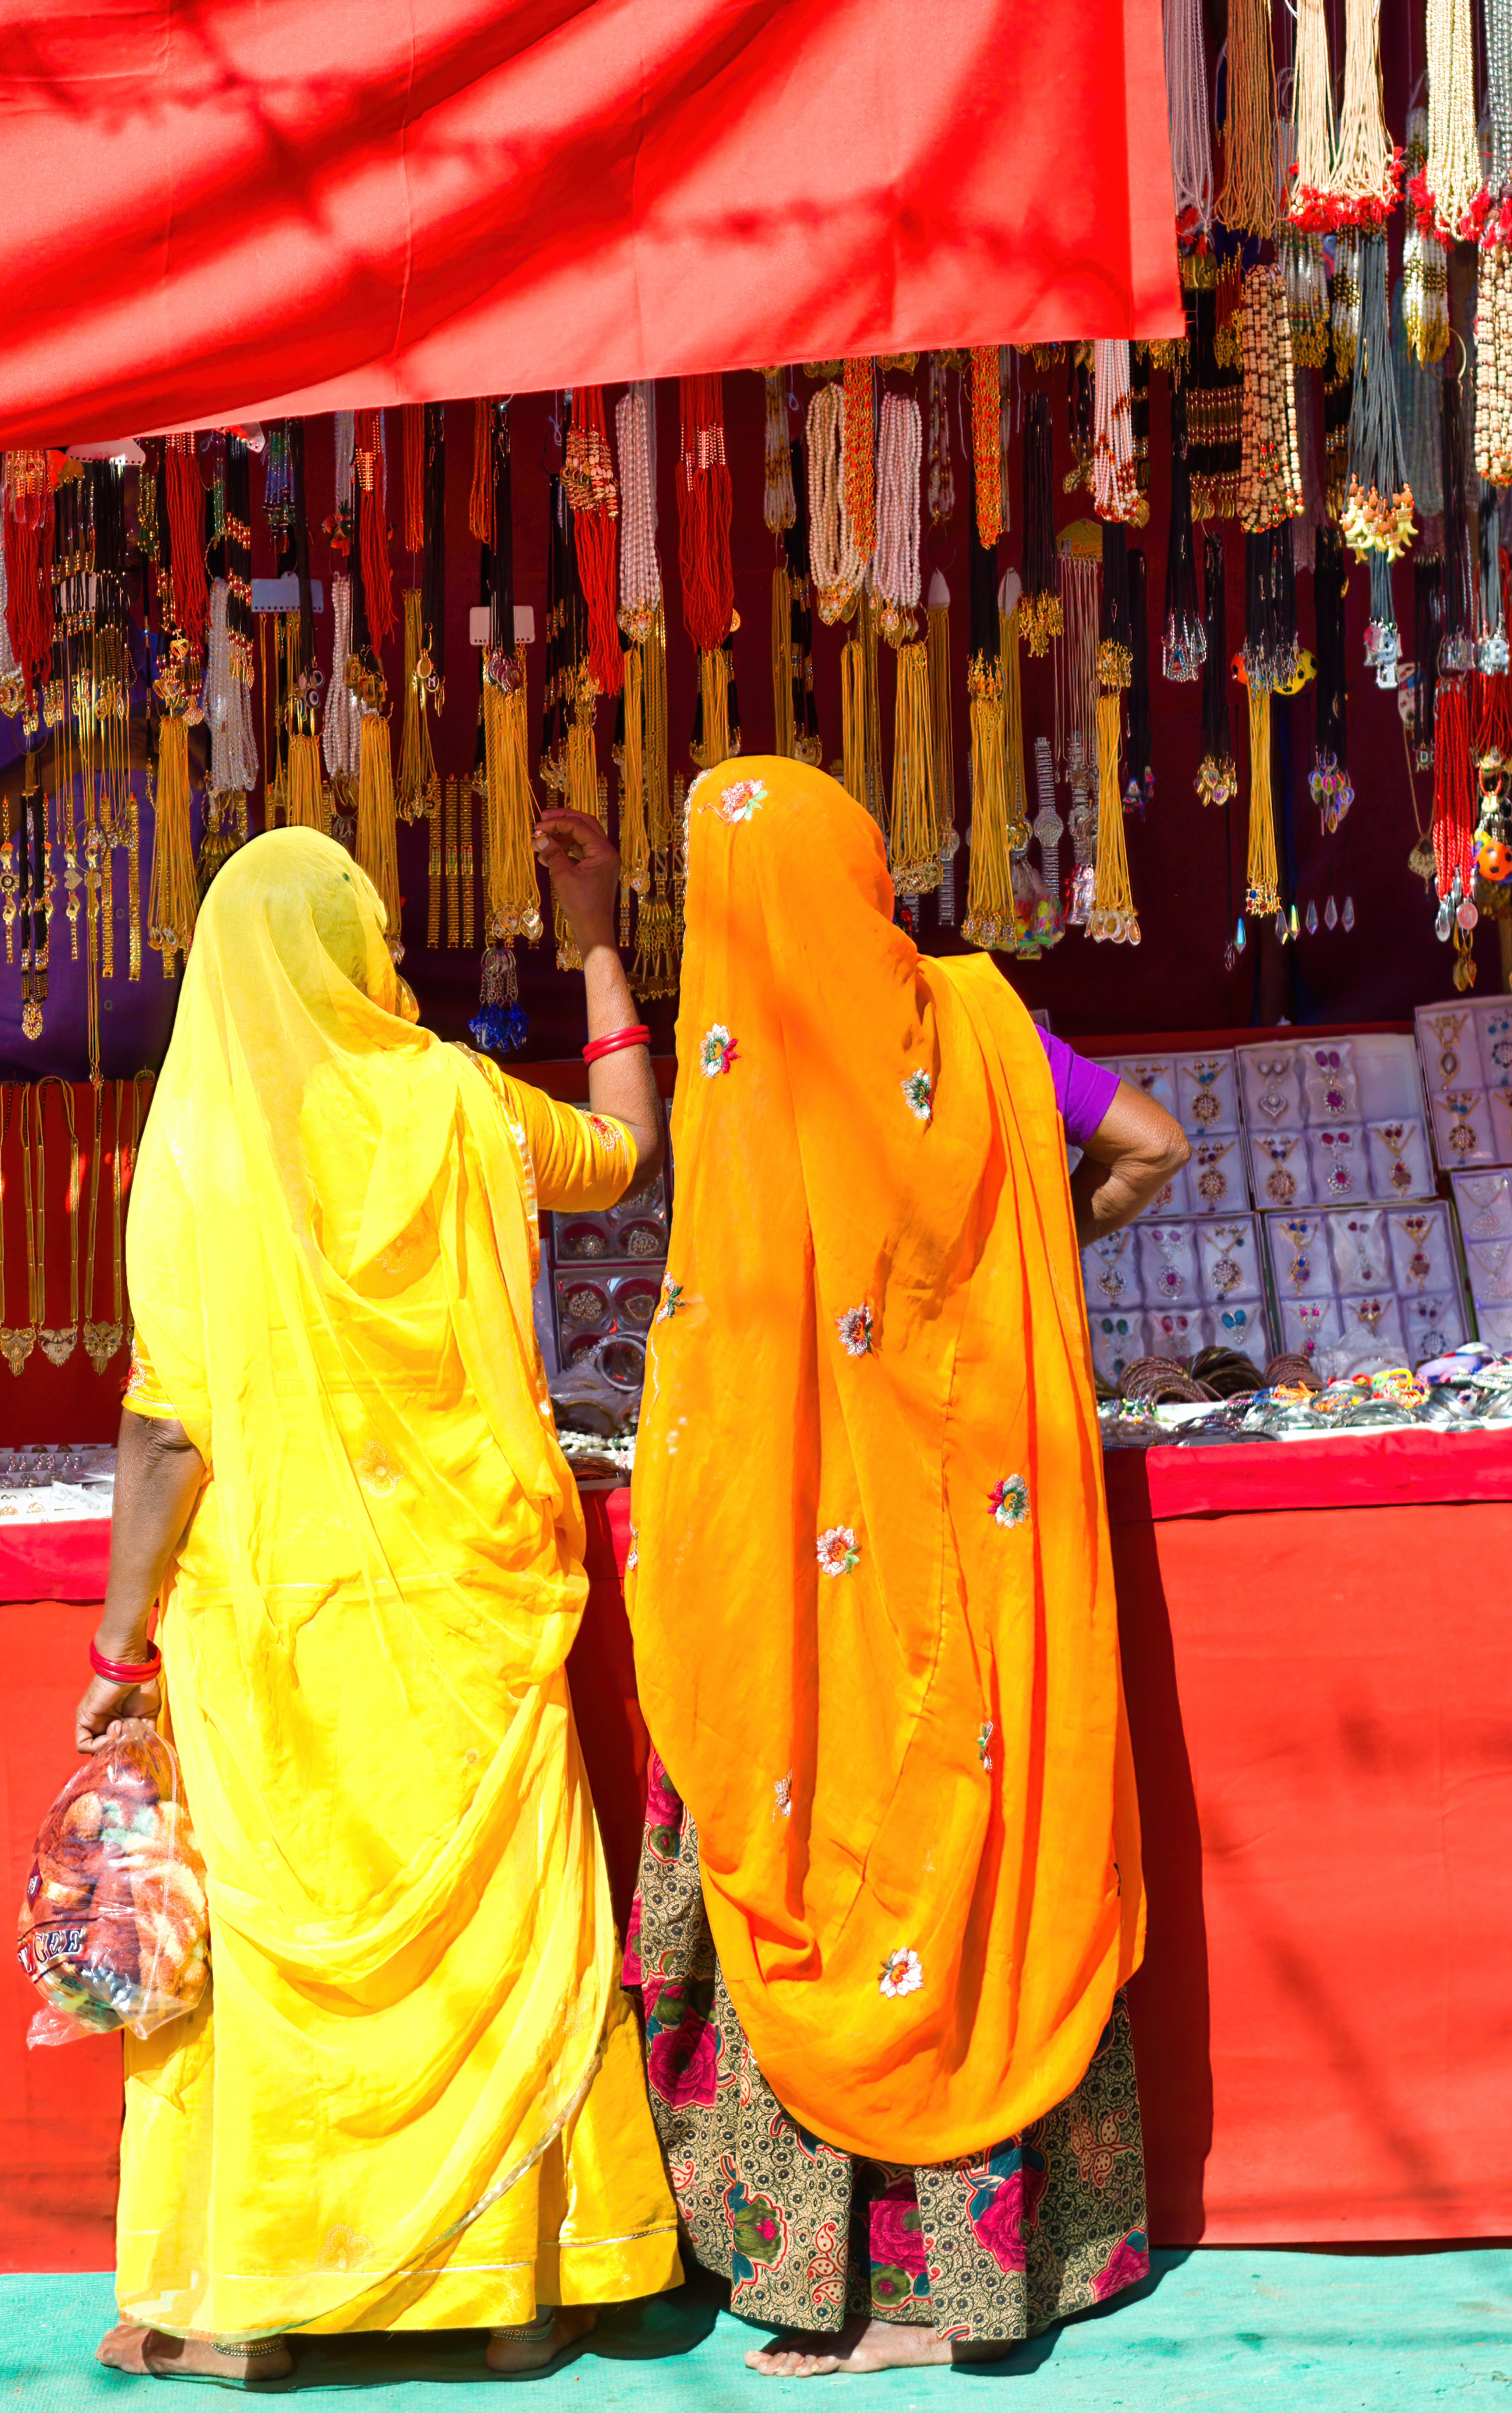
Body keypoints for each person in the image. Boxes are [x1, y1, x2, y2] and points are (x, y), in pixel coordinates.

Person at [78, 819, 675, 2384]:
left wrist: (116, 1641)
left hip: (279, 1628)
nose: (398, 963)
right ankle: (514, 2294)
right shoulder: (459, 1101)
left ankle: (268, 2300)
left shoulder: (198, 1148)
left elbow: (166, 1425)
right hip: (472, 1602)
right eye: (378, 937)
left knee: (293, 1952)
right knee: (497, 1932)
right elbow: (621, 1156)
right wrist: (594, 937)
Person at [621, 758, 1186, 2377]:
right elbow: (1147, 1144)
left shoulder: (736, 1056)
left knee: (822, 1836)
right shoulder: (978, 1023)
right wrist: (1004, 1270)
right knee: (968, 1844)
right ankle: (980, 2284)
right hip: (975, 1542)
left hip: (798, 1575)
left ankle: (845, 2290)